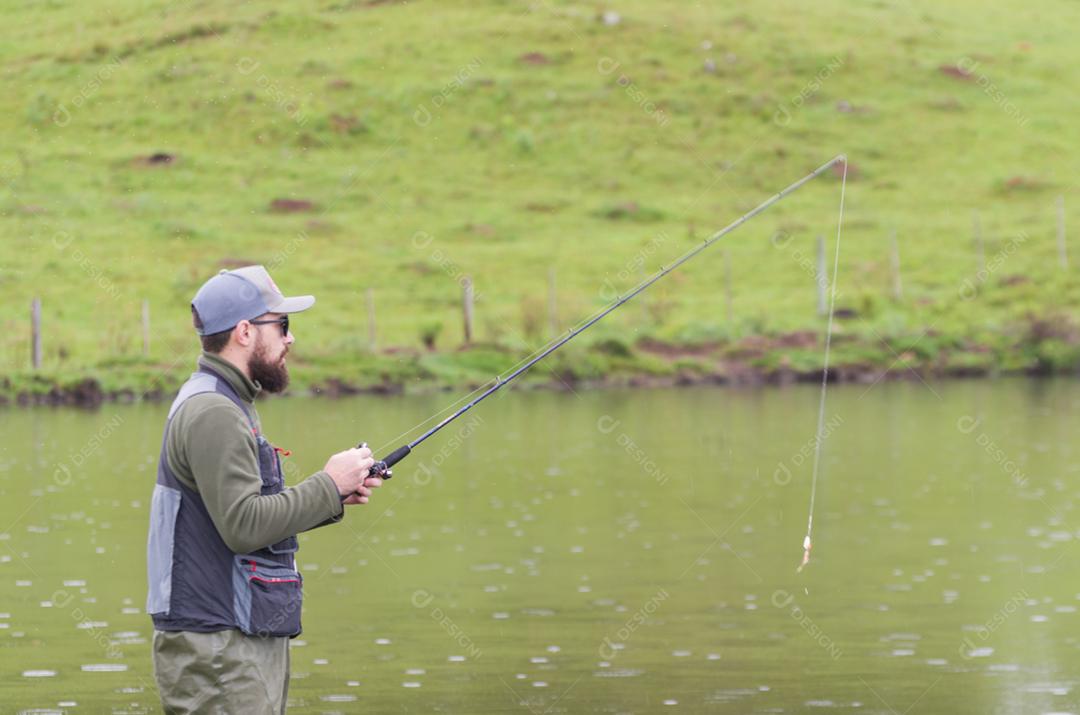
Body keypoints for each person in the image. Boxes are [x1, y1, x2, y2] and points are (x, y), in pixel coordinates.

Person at [145, 265, 381, 713]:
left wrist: (334, 496)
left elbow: (242, 513)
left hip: (230, 640)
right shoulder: (215, 410)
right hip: (219, 646)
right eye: (283, 325)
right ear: (245, 331)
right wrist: (327, 484)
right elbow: (243, 525)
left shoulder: (224, 400)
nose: (290, 339)